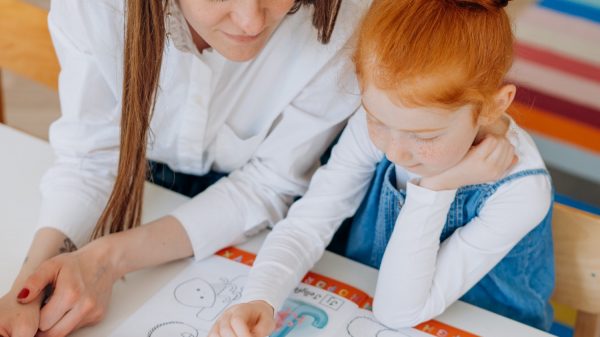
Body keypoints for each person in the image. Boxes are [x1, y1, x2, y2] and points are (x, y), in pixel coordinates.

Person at [0, 0, 367, 336]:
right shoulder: (97, 7)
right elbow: (90, 160)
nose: (250, 20)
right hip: (144, 174)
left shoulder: (347, 15)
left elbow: (269, 183)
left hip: (269, 207)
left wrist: (108, 259)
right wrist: (26, 290)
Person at [209, 0, 555, 336]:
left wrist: (436, 187)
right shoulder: (390, 122)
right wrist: (260, 297)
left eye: (425, 136)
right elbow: (308, 223)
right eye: (376, 120)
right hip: (362, 301)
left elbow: (398, 311)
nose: (395, 151)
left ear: (493, 107)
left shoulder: (521, 193)